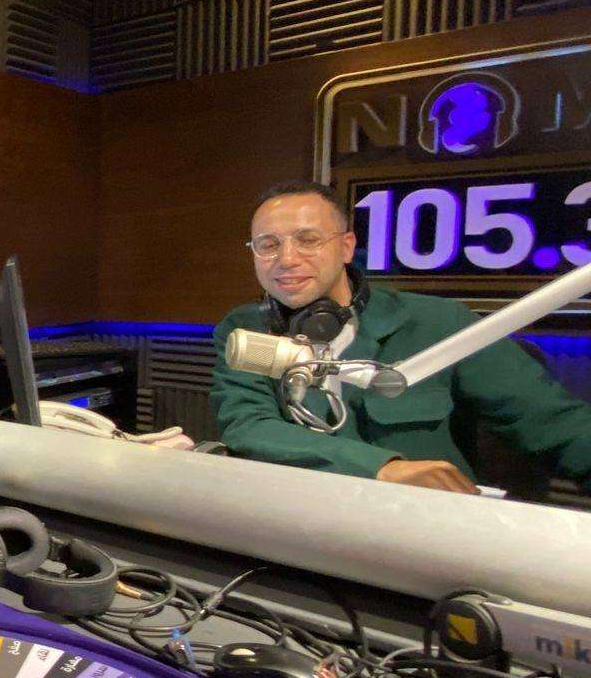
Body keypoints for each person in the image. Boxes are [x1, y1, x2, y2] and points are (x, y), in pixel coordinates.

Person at [212, 181, 591, 493]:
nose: (287, 259)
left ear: (346, 247)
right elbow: (248, 425)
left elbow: (554, 424)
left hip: (425, 526)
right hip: (300, 522)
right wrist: (381, 468)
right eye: (268, 245)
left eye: (308, 240)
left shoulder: (439, 323)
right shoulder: (246, 328)